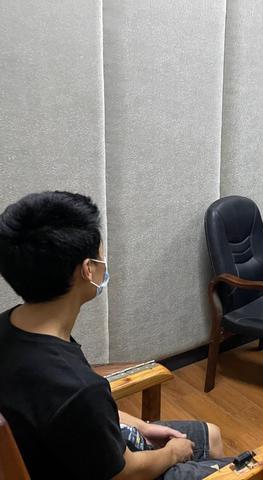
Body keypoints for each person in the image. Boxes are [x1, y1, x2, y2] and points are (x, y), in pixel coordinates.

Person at [0, 191, 225, 480]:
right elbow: (126, 472)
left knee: (212, 436)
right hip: (109, 470)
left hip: (60, 450)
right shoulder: (78, 388)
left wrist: (142, 427)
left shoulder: (13, 327)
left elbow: (79, 416)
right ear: (87, 269)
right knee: (235, 464)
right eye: (101, 254)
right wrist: (173, 453)